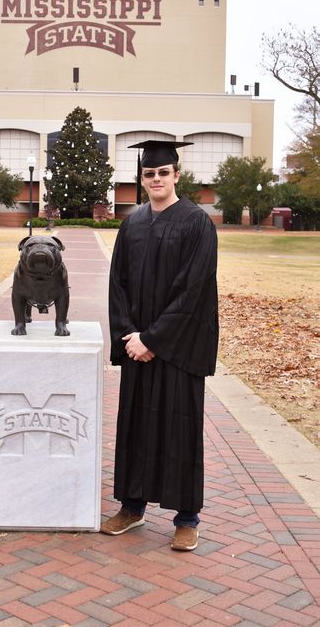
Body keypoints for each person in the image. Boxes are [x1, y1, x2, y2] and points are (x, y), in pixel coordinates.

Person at [101, 140, 218, 551]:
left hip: (178, 350)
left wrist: (154, 338)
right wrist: (130, 337)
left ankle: (187, 519)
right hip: (138, 347)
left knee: (180, 430)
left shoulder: (196, 222)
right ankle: (132, 508)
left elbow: (195, 289)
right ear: (142, 179)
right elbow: (117, 285)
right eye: (149, 174)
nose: (156, 180)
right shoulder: (132, 224)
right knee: (136, 428)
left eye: (163, 173)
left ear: (176, 176)